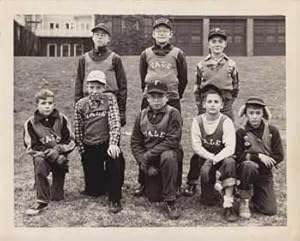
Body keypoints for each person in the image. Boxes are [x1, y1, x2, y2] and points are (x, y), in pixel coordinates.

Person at [183, 27, 239, 197]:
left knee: (226, 141)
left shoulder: (231, 64)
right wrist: (202, 106)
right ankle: (192, 181)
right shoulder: (201, 64)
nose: (217, 44)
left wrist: (226, 104)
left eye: (220, 41)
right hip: (206, 104)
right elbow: (196, 87)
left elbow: (235, 87)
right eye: (214, 41)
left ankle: (227, 180)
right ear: (208, 44)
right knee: (203, 142)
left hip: (225, 104)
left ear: (225, 44)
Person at [135, 17, 188, 196]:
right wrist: (150, 96)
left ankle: (176, 183)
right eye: (158, 31)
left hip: (171, 98)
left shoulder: (178, 53)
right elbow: (143, 76)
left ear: (171, 34)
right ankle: (143, 181)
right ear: (153, 34)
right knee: (145, 138)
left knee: (173, 142)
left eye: (165, 31)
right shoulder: (146, 53)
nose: (162, 34)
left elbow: (183, 79)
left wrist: (173, 95)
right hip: (150, 98)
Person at [184, 84, 238, 222]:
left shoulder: (226, 122)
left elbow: (230, 148)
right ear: (203, 105)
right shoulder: (197, 121)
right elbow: (196, 147)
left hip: (222, 160)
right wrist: (210, 158)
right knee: (207, 201)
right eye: (209, 102)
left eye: (216, 102)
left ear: (221, 105)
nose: (212, 105)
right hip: (205, 160)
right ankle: (216, 186)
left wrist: (215, 159)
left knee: (230, 161)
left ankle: (228, 203)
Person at [131, 80, 183, 219]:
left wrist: (147, 156)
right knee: (153, 197)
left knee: (168, 156)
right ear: (147, 98)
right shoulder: (141, 115)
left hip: (169, 154)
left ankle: (171, 200)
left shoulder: (173, 113)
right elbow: (136, 143)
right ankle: (147, 183)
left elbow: (172, 141)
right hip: (151, 160)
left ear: (167, 97)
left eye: (160, 96)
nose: (156, 100)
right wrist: (145, 165)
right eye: (152, 96)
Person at [74, 70, 125, 214]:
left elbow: (115, 121)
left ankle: (115, 198)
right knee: (94, 190)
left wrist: (113, 143)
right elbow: (78, 129)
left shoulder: (110, 99)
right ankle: (99, 184)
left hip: (107, 143)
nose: (94, 91)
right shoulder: (80, 104)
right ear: (87, 87)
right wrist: (82, 150)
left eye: (98, 87)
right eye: (91, 87)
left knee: (115, 159)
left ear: (104, 88)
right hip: (90, 144)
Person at [23, 89, 75, 216]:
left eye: (50, 103)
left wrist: (58, 150)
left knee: (57, 197)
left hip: (59, 157)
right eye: (43, 103)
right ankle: (41, 200)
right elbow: (31, 147)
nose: (47, 106)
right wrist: (48, 153)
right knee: (39, 163)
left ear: (54, 104)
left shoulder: (62, 119)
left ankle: (57, 189)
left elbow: (70, 141)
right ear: (37, 105)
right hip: (43, 157)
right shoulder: (30, 123)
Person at [235, 96, 284, 219]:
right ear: (246, 114)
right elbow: (238, 155)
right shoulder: (241, 132)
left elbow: (279, 155)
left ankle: (256, 195)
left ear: (263, 113)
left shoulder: (273, 131)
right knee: (249, 165)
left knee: (269, 210)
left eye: (258, 113)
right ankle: (244, 199)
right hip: (246, 171)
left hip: (264, 173)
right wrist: (257, 156)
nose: (255, 116)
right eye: (251, 113)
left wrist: (265, 162)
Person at [74, 22, 127, 127]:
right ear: (92, 37)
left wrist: (121, 111)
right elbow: (79, 84)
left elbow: (123, 87)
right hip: (89, 102)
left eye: (103, 35)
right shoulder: (84, 59)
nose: (99, 37)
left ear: (108, 39)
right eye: (97, 34)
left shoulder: (115, 58)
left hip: (109, 102)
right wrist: (78, 107)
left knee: (111, 134)